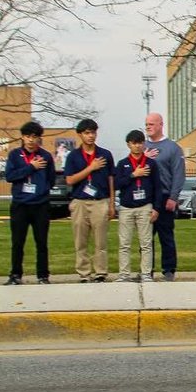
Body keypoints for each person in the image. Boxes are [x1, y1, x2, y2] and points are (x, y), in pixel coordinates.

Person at [62, 118, 115, 283]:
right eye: (87, 133)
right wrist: (91, 168)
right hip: (80, 202)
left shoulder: (105, 154)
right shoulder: (73, 156)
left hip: (100, 201)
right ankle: (84, 273)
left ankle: (101, 272)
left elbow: (111, 179)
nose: (91, 136)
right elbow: (70, 180)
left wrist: (112, 203)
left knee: (101, 241)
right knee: (81, 241)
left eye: (93, 132)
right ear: (80, 134)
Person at [4, 121, 55, 285]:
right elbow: (10, 176)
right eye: (27, 136)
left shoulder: (46, 156)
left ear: (39, 138)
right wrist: (31, 167)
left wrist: (41, 191)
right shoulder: (14, 155)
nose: (31, 140)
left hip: (40, 205)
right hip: (20, 205)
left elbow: (51, 180)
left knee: (41, 242)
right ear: (22, 137)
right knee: (18, 242)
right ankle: (15, 275)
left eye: (34, 137)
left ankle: (43, 276)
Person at [113, 130, 163, 283]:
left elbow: (158, 187)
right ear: (129, 144)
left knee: (146, 243)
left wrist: (156, 208)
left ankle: (146, 273)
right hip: (126, 208)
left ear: (144, 144)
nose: (137, 146)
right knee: (124, 243)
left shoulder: (151, 164)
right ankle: (124, 274)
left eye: (140, 143)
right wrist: (134, 175)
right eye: (134, 143)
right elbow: (116, 184)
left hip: (145, 207)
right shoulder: (122, 164)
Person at [143, 112, 185, 281]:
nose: (148, 127)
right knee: (146, 237)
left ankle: (169, 269)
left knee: (166, 236)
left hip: (165, 197)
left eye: (151, 124)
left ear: (161, 125)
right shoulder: (142, 147)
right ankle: (146, 270)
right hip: (146, 198)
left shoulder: (173, 148)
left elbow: (178, 174)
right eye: (146, 124)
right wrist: (143, 158)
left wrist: (173, 197)